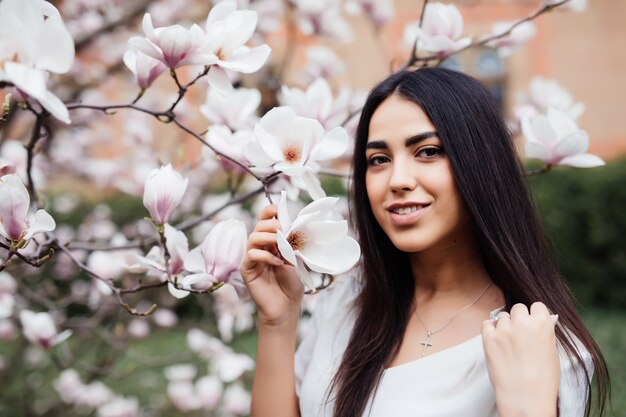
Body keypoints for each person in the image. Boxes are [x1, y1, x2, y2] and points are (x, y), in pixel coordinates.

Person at [240, 67, 609, 417]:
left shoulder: (534, 342)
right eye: (379, 159)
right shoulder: (346, 302)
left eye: (428, 152)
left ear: (481, 163)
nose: (397, 180)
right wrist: (278, 321)